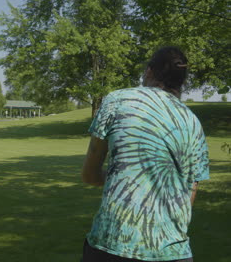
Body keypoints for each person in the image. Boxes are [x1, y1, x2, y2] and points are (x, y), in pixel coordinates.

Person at [80, 46, 209, 262]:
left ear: (149, 72)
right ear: (181, 82)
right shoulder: (193, 123)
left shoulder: (117, 100)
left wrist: (123, 181)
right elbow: (189, 193)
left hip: (114, 245)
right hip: (174, 252)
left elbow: (89, 175)